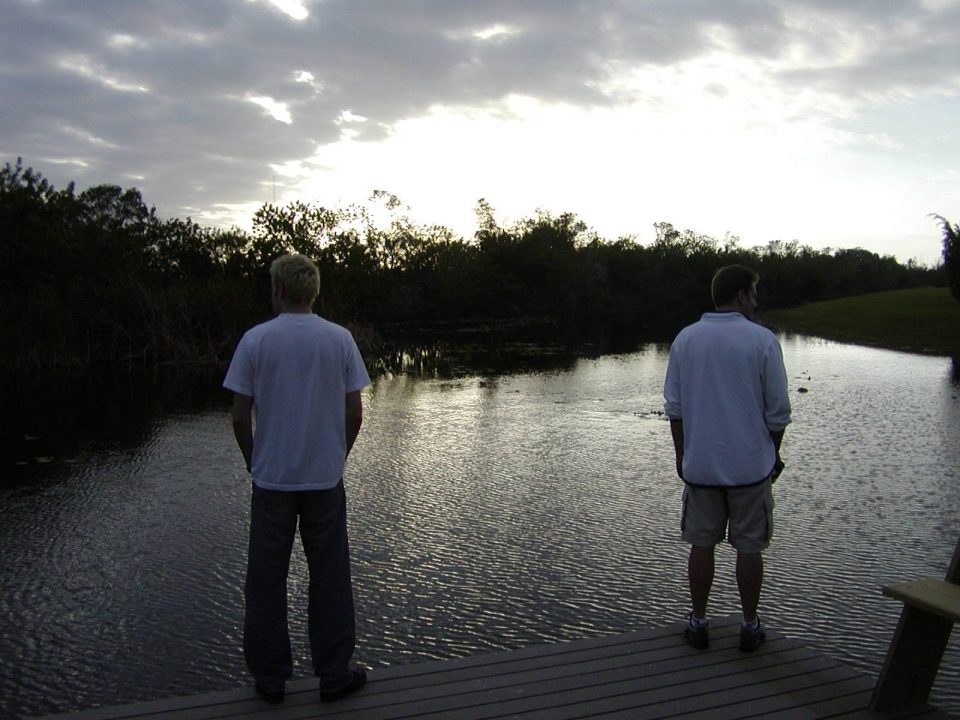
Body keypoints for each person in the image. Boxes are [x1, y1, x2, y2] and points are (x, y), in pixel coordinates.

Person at [223, 253, 371, 704]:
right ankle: (333, 674)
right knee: (330, 576)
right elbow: (355, 411)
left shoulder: (255, 340)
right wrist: (337, 457)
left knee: (265, 579)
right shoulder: (340, 339)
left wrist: (255, 461)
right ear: (313, 291)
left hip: (271, 483)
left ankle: (271, 679)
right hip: (325, 481)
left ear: (279, 290)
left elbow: (239, 418)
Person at [663, 264, 791, 652]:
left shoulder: (685, 339)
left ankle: (699, 622)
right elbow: (778, 412)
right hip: (751, 470)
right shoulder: (763, 341)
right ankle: (749, 626)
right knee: (749, 547)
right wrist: (773, 454)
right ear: (740, 296)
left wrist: (683, 456)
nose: (757, 300)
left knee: (701, 544)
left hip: (700, 469)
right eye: (753, 292)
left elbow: (676, 409)